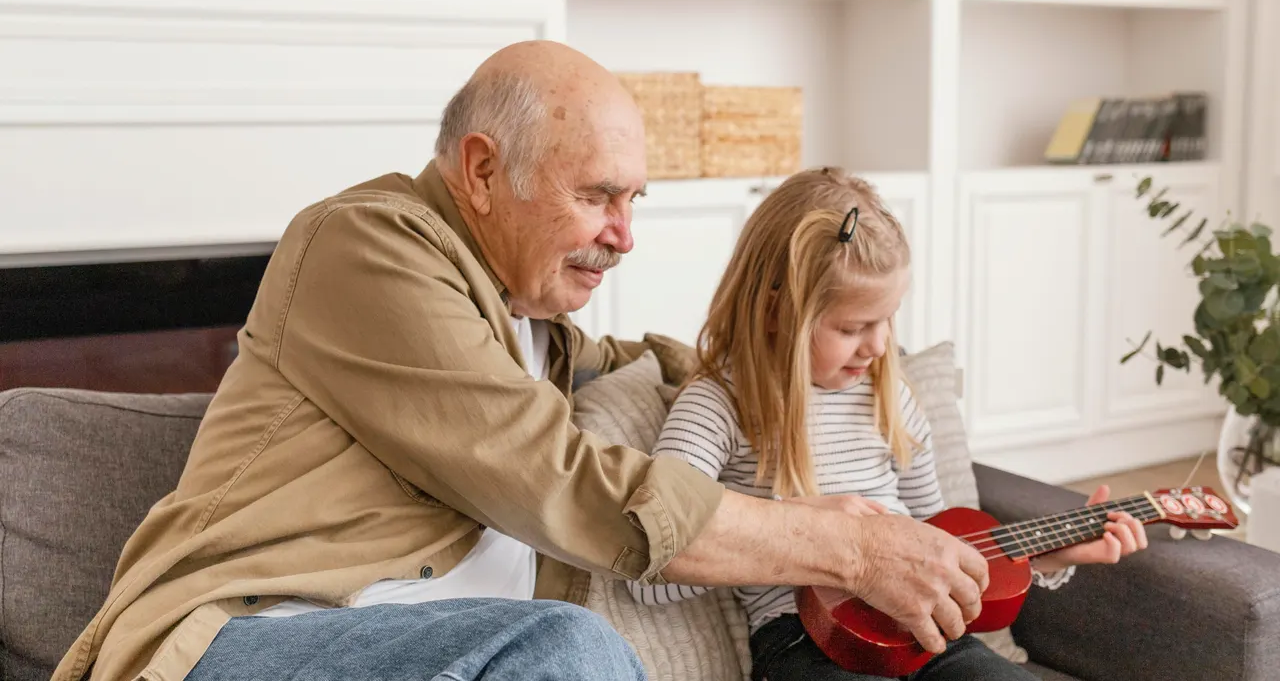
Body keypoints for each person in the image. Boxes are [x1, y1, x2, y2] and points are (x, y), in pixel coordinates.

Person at [55, 41, 994, 681]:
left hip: (452, 656)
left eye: (635, 200)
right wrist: (850, 544)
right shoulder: (365, 246)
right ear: (480, 170)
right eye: (597, 196)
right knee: (561, 648)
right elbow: (560, 479)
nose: (625, 236)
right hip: (253, 642)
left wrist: (776, 354)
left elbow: (663, 362)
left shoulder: (534, 334)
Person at [626, 167, 1150, 681]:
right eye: (853, 327)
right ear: (773, 310)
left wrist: (1046, 555)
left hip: (926, 635)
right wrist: (796, 522)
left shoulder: (889, 395)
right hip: (804, 644)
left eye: (888, 319)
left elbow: (943, 541)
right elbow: (652, 574)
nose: (879, 347)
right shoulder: (716, 405)